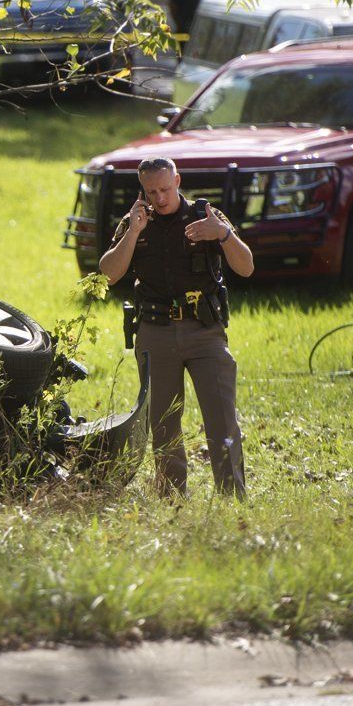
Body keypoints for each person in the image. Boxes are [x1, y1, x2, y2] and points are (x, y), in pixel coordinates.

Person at [99, 157, 254, 498]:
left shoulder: (206, 216)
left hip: (204, 330)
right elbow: (108, 273)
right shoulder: (134, 222)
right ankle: (171, 500)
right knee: (163, 424)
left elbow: (246, 267)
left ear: (178, 181)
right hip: (156, 331)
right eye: (151, 191)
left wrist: (224, 235)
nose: (160, 198)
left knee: (221, 419)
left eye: (165, 189)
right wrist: (134, 232)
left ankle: (232, 497)